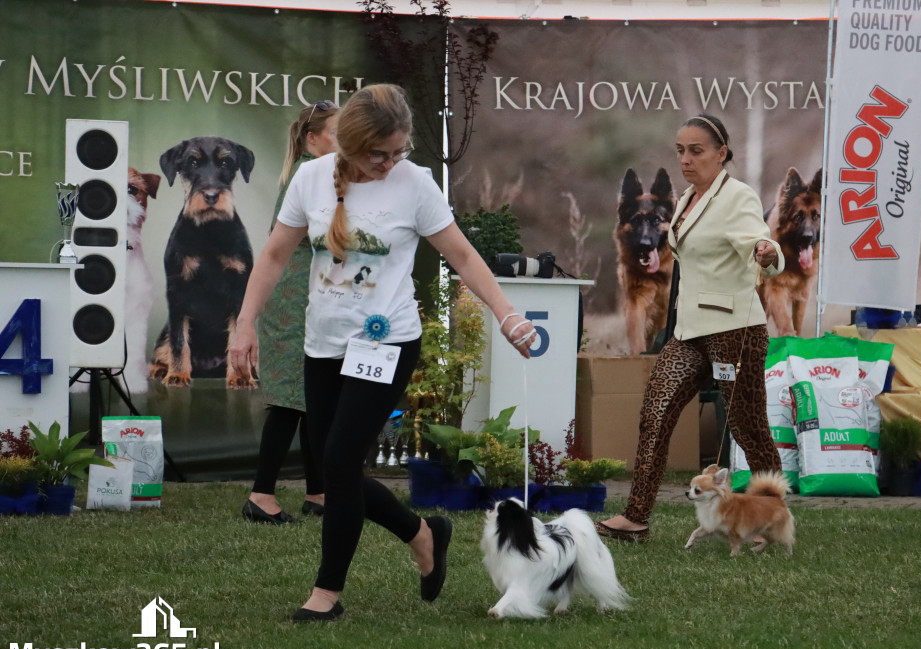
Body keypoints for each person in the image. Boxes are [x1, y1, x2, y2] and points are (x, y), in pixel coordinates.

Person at [229, 84, 537, 621]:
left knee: (340, 463)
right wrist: (244, 324)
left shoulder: (415, 185)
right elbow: (276, 254)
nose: (391, 163)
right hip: (322, 343)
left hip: (387, 341)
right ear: (346, 143)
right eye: (379, 154)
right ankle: (422, 534)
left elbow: (462, 255)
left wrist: (507, 314)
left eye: (399, 152)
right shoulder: (310, 178)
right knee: (333, 465)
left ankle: (326, 593)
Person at [596, 114, 784, 542]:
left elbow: (763, 241)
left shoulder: (738, 197)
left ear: (722, 153)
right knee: (655, 415)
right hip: (687, 331)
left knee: (749, 428)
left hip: (735, 331)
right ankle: (636, 518)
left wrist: (767, 252)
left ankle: (770, 519)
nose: (685, 159)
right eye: (680, 150)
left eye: (695, 150)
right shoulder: (684, 201)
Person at [242, 100, 340, 525]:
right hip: (293, 302)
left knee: (310, 398)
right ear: (312, 138)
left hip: (309, 296)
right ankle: (261, 495)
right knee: (288, 401)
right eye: (339, 133)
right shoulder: (309, 174)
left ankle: (318, 492)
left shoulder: (318, 172)